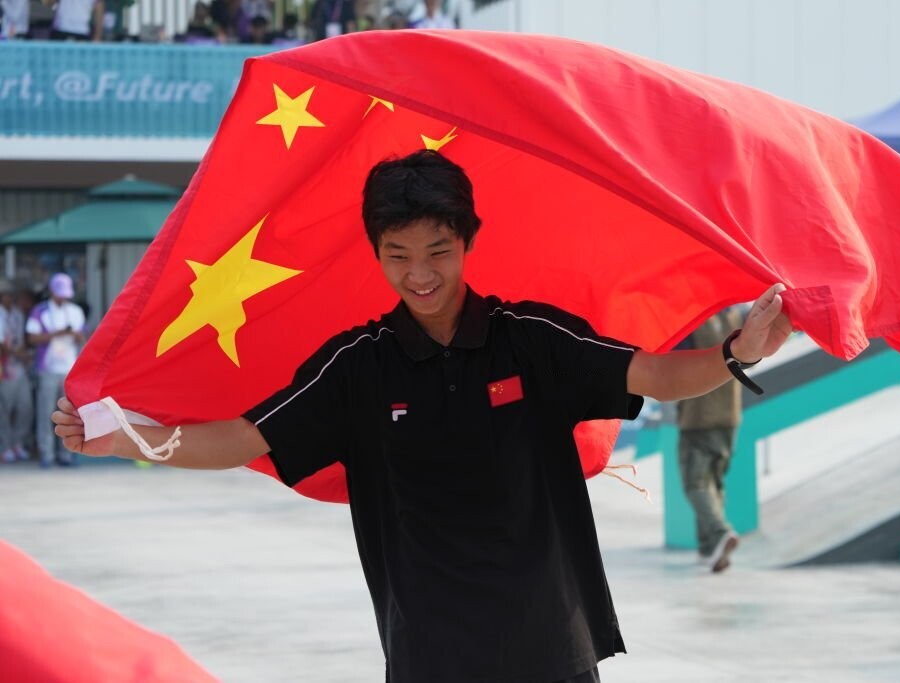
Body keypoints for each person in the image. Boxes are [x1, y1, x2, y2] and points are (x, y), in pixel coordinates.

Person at [53, 150, 791, 682]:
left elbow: (654, 373)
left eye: (438, 250)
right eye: (398, 254)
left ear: (468, 241)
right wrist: (131, 438)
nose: (420, 273)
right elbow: (244, 438)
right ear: (375, 254)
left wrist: (737, 352)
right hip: (431, 657)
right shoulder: (359, 366)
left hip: (550, 648)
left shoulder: (531, 339)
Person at [676, 307, 744, 573]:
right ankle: (710, 552)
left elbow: (672, 359)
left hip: (698, 416)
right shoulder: (735, 317)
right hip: (730, 414)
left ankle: (719, 533)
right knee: (714, 482)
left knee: (695, 483)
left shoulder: (692, 321)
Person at [31, 273, 86, 467]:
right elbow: (32, 338)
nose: (63, 297)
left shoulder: (75, 311)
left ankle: (66, 454)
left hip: (69, 369)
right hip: (48, 368)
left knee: (69, 415)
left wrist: (76, 335)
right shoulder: (40, 311)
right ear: (52, 291)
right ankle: (46, 454)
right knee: (46, 413)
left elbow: (83, 337)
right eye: (60, 293)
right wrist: (57, 333)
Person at [0, 279, 33, 463]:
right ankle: (5, 447)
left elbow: (21, 339)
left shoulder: (18, 314)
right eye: (6, 294)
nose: (10, 298)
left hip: (19, 368)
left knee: (24, 407)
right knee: (5, 410)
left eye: (13, 295)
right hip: (4, 369)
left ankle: (17, 443)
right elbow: (3, 346)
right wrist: (21, 354)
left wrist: (23, 354)